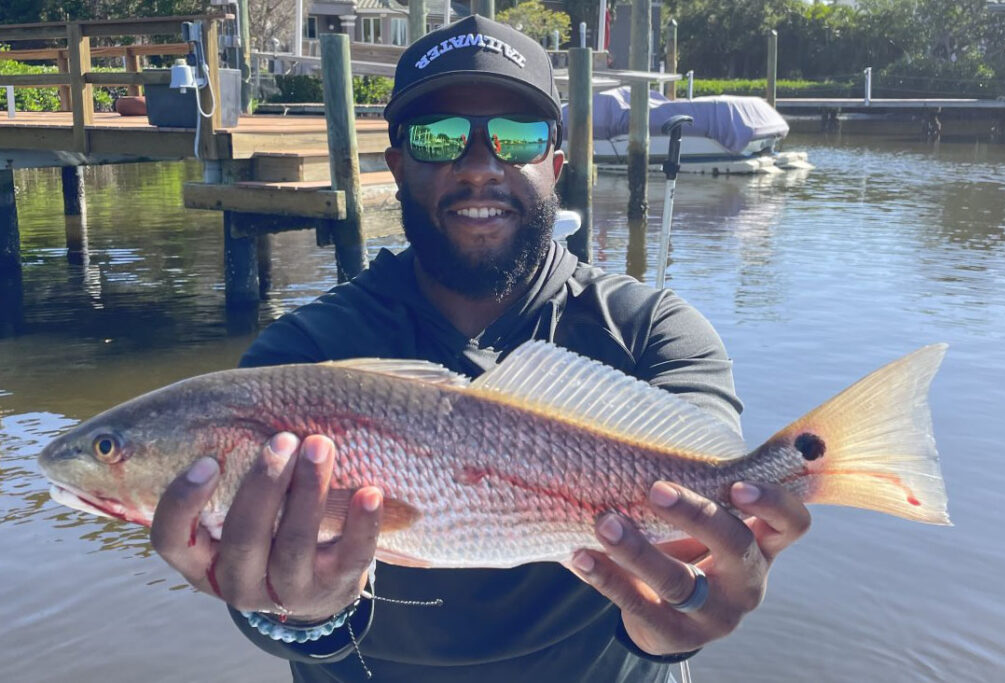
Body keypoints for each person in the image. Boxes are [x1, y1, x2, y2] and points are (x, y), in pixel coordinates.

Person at [150, 15, 810, 683]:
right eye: (439, 139)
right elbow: (261, 595)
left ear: (556, 163)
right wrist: (300, 613)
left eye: (516, 136)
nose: (479, 166)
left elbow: (709, 523)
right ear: (398, 166)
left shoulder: (651, 330)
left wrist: (685, 606)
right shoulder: (300, 357)